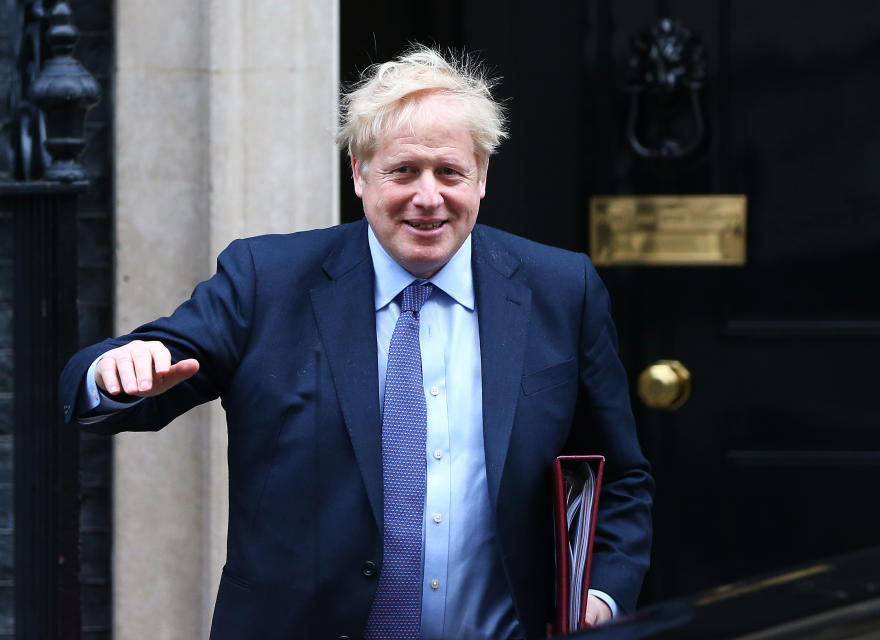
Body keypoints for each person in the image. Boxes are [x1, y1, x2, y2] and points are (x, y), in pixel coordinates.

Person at [59, 45, 653, 640]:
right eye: (403, 171)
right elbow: (150, 366)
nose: (428, 197)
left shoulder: (560, 289)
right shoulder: (267, 280)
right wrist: (119, 369)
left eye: (450, 172)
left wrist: (599, 595)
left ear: (482, 177)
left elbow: (620, 477)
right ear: (359, 174)